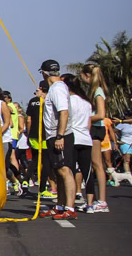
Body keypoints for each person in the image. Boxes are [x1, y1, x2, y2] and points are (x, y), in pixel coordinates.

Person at [37, 60, 77, 218]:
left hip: (60, 135)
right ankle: (60, 206)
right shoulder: (56, 88)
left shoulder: (57, 88)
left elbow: (64, 112)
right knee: (58, 171)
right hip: (54, 135)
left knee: (64, 170)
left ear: (44, 73)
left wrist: (60, 136)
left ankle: (70, 208)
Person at [80, 65, 110, 211]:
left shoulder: (98, 91)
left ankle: (102, 200)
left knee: (97, 164)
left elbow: (101, 114)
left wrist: (86, 118)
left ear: (87, 75)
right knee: (93, 163)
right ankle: (97, 199)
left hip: (96, 128)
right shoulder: (93, 90)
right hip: (93, 128)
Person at [64, 76, 96, 211]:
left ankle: (69, 203)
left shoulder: (68, 101)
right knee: (87, 171)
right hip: (86, 139)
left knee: (69, 171)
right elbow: (88, 124)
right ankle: (89, 204)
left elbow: (65, 119)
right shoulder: (86, 103)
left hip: (72, 138)